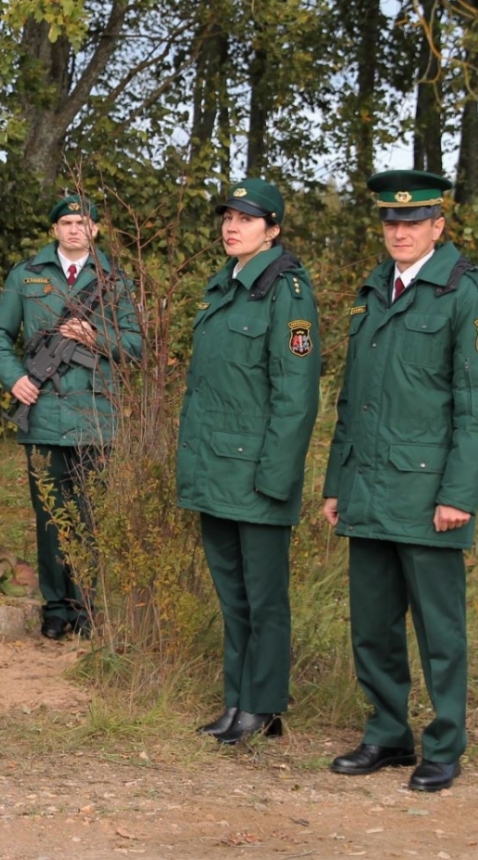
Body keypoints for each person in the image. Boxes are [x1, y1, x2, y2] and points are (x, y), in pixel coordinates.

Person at [322, 169, 478, 792]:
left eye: (413, 222)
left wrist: (460, 494)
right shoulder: (374, 290)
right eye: (391, 222)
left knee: (439, 630)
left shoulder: (465, 295)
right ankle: (387, 734)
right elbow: (353, 403)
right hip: (368, 489)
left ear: (438, 226)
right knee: (372, 624)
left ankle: (445, 743)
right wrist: (335, 483)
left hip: (430, 495)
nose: (399, 232)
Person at [176, 179, 320, 744]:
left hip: (258, 474)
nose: (231, 226)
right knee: (232, 596)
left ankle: (264, 705)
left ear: (274, 230)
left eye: (247, 219)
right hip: (214, 470)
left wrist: (277, 476)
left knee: (264, 598)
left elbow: (296, 394)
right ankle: (237, 702)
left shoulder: (289, 293)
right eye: (227, 217)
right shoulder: (222, 288)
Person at [0, 194, 143, 640]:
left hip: (96, 417)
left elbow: (138, 344)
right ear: (55, 229)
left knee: (91, 515)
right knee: (51, 516)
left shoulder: (114, 280)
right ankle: (56, 608)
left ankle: (88, 607)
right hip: (45, 415)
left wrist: (97, 336)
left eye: (83, 222)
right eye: (67, 222)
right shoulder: (27, 275)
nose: (75, 229)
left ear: (95, 230)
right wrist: (14, 378)